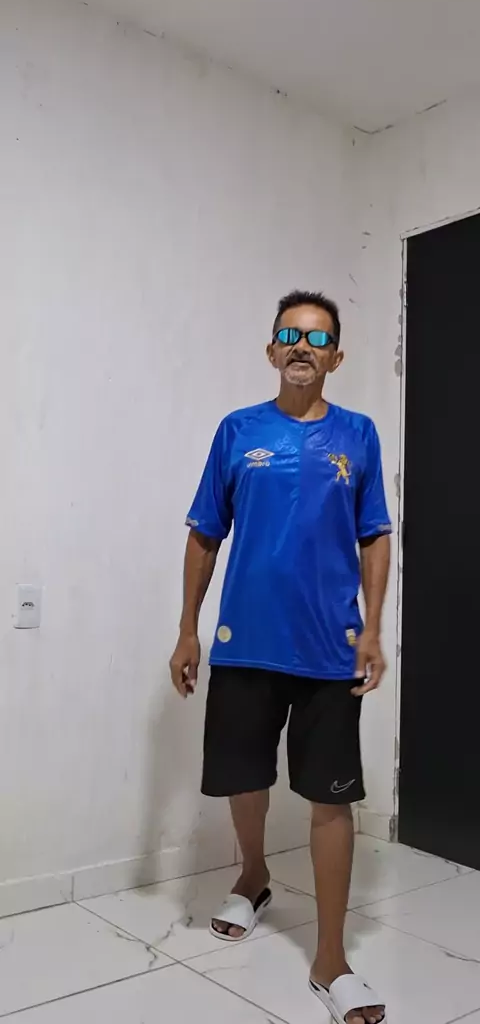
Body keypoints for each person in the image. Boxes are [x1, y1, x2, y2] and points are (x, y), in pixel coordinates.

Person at [170, 290, 391, 1024]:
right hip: (246, 643)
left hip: (330, 646)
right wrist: (188, 629)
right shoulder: (238, 431)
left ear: (336, 357)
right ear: (271, 350)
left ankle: (331, 958)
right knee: (246, 775)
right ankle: (254, 874)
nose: (302, 346)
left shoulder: (358, 434)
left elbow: (375, 534)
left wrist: (373, 628)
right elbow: (205, 532)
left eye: (318, 338)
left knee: (332, 797)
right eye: (290, 335)